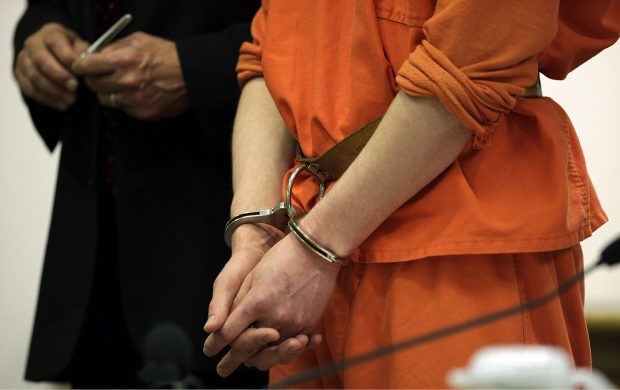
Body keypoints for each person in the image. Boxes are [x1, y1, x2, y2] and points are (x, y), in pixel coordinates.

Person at [202, 0, 620, 388]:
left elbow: (469, 68)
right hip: (305, 254)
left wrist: (311, 251)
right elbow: (267, 55)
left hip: (458, 248)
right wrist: (255, 235)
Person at [13, 0, 263, 388]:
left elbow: (306, 27)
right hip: (91, 247)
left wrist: (196, 67)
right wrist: (38, 37)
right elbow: (48, 8)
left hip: (213, 234)